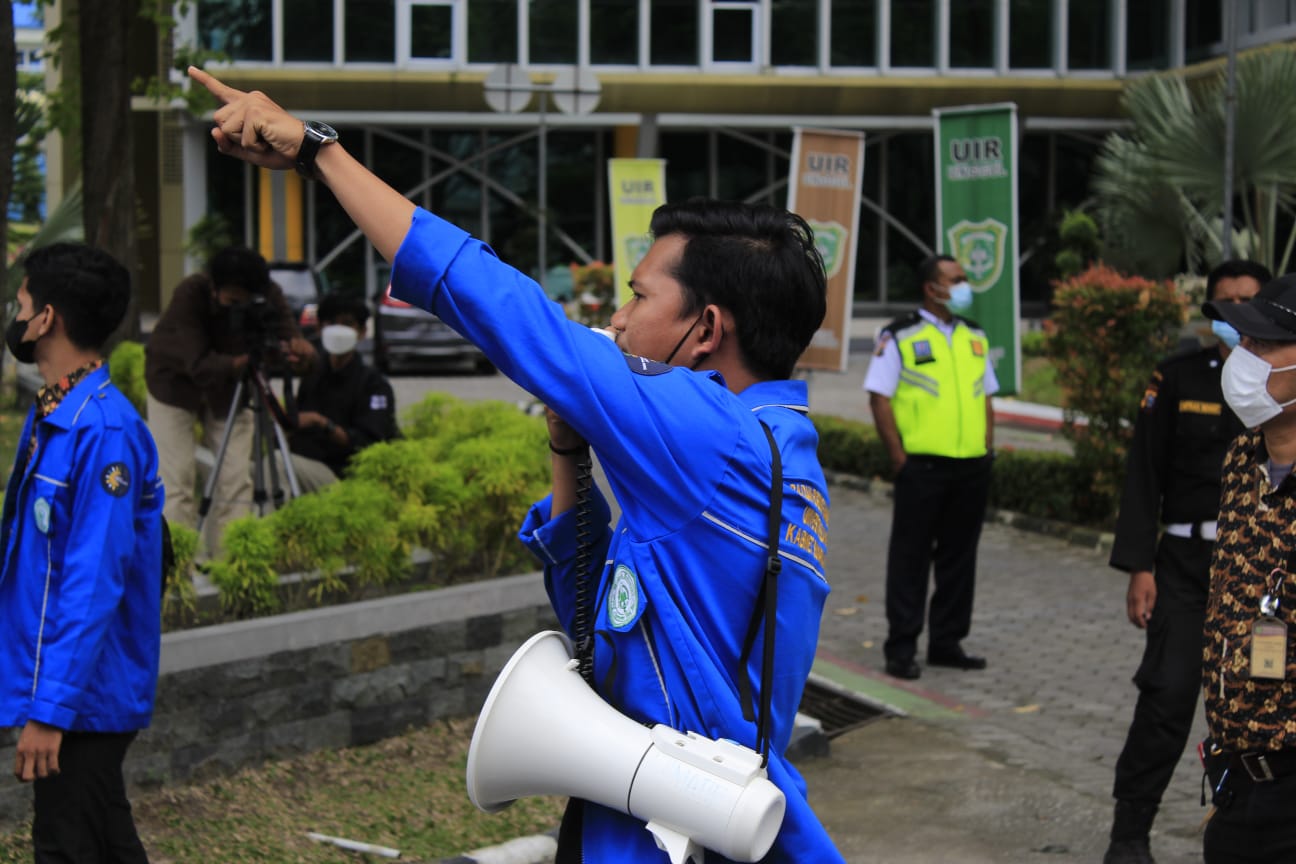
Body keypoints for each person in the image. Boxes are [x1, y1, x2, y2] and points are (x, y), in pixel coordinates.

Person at [187, 65, 846, 863]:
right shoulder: (778, 447)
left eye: (639, 298)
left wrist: (318, 151)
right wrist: (569, 451)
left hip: (659, 834)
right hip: (709, 812)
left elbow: (502, 305)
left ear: (706, 331)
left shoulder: (710, 432)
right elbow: (625, 608)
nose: (620, 318)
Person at [0, 243, 165, 862]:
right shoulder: (57, 413)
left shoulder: (103, 432)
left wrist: (51, 710)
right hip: (72, 688)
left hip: (87, 695)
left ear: (48, 319)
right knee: (100, 839)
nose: (12, 315)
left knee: (67, 845)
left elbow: (92, 581)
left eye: (19, 304)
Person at [1102, 259, 1269, 864]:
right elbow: (1143, 473)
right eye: (1223, 304)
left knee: (1257, 701)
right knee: (1168, 693)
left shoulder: (1282, 382)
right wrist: (1139, 567)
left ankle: (1248, 825)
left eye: (1248, 303)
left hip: (1260, 571)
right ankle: (1129, 831)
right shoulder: (1177, 378)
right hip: (1184, 565)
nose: (1234, 315)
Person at [1196, 273, 1296, 863]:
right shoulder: (1242, 458)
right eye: (1244, 341)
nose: (1243, 358)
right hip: (1237, 780)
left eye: (1264, 345)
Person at [864, 255, 997, 680]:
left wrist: (987, 448)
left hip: (971, 466)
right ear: (931, 288)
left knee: (960, 558)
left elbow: (986, 396)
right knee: (911, 558)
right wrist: (900, 459)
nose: (964, 286)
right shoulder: (900, 335)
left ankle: (946, 642)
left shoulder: (974, 335)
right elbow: (879, 397)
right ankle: (901, 647)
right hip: (922, 467)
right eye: (955, 280)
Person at [144, 246, 314, 556]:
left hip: (232, 391)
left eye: (249, 301)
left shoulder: (267, 295)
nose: (242, 308)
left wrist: (298, 351)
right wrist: (243, 361)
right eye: (234, 302)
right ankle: (175, 566)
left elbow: (288, 338)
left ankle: (228, 563)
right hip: (174, 385)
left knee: (236, 479)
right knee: (176, 481)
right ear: (213, 286)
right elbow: (196, 363)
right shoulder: (191, 294)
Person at [287, 293, 399, 492]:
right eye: (331, 323)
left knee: (279, 464)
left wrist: (321, 423)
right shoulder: (313, 376)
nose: (338, 331)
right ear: (319, 328)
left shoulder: (373, 384)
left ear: (362, 332)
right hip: (305, 463)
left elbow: (370, 443)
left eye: (347, 324)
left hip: (342, 475)